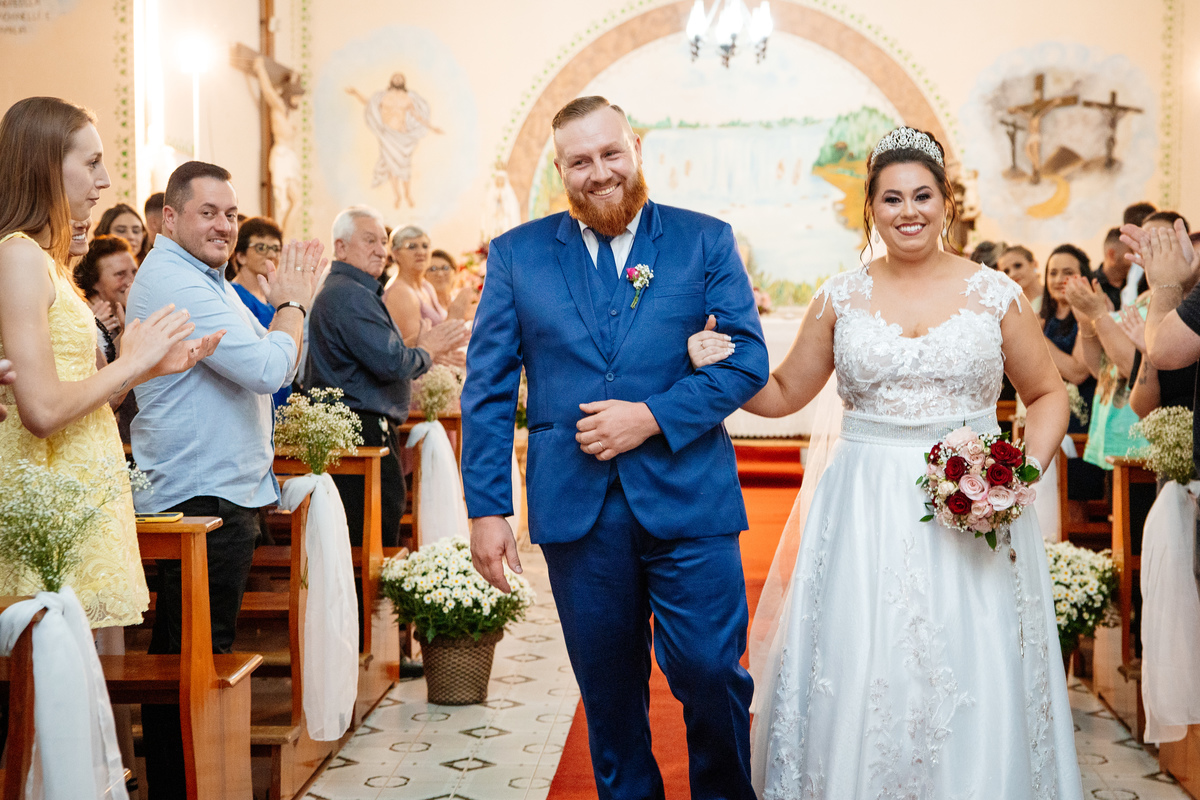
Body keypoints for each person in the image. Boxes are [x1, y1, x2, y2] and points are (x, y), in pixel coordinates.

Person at [706, 126, 1080, 797]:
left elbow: (1047, 393)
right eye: (892, 198)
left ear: (946, 203)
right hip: (864, 501)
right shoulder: (838, 296)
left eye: (923, 196)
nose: (909, 211)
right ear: (871, 209)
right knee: (862, 654)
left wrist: (1019, 475)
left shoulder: (996, 293)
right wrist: (722, 366)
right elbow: (787, 390)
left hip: (968, 500)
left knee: (969, 652)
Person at [462, 96, 769, 800]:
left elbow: (748, 361)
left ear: (635, 148)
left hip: (690, 497)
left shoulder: (704, 241)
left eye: (610, 154)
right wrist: (487, 508)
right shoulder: (518, 256)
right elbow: (485, 389)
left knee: (713, 672)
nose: (599, 172)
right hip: (577, 508)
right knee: (608, 695)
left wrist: (651, 417)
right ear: (559, 171)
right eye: (579, 161)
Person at [125, 160, 325, 796]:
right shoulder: (176, 282)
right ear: (170, 218)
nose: (224, 225)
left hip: (220, 487)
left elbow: (272, 361)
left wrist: (278, 327)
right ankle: (183, 784)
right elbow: (270, 367)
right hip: (199, 492)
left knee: (195, 653)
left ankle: (186, 780)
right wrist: (292, 304)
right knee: (193, 656)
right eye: (208, 212)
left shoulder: (204, 279)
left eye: (231, 214)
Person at [0, 97, 218, 629]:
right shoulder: (18, 255)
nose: (105, 179)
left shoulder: (45, 263)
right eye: (91, 162)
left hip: (73, 486)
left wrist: (147, 368)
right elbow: (43, 410)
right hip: (44, 492)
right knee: (46, 678)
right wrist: (131, 362)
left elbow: (79, 391)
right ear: (47, 165)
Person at [306, 205, 468, 548]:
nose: (381, 250)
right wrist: (427, 349)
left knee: (380, 521)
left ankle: (369, 602)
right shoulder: (349, 294)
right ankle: (368, 604)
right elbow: (392, 363)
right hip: (359, 429)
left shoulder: (359, 291)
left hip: (362, 425)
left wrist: (424, 348)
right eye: (370, 241)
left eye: (383, 241)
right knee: (370, 534)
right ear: (341, 247)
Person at [74, 235, 140, 440]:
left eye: (134, 272)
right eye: (120, 274)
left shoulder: (133, 314)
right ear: (95, 282)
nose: (131, 281)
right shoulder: (83, 321)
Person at [228, 216, 291, 407]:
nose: (271, 255)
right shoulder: (233, 296)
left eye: (275, 248)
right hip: (253, 397)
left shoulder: (274, 299)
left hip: (282, 393)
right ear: (240, 256)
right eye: (261, 247)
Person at [428, 247, 479, 319]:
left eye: (445, 268)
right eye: (433, 269)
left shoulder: (461, 303)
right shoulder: (424, 307)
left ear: (455, 272)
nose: (440, 274)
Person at [997, 244, 1042, 311]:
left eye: (1018, 266)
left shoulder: (1054, 297)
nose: (1012, 274)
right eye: (1006, 271)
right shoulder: (1009, 309)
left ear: (1034, 264)